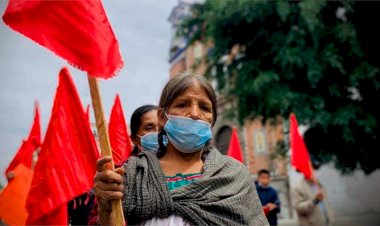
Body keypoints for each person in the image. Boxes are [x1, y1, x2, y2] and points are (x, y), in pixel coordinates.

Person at [93, 72, 268, 225]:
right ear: (162, 117)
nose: (194, 113)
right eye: (182, 104)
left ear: (212, 120)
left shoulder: (235, 175)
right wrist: (106, 209)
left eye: (204, 107)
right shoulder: (134, 173)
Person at [88, 104, 159, 224]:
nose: (157, 133)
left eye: (162, 128)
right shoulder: (118, 172)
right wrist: (105, 212)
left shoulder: (182, 169)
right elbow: (96, 220)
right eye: (149, 127)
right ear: (135, 139)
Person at [293, 158, 334, 226]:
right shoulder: (298, 187)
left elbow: (326, 204)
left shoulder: (319, 185)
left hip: (325, 222)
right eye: (313, 169)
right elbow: (299, 208)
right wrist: (314, 201)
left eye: (317, 169)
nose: (315, 172)